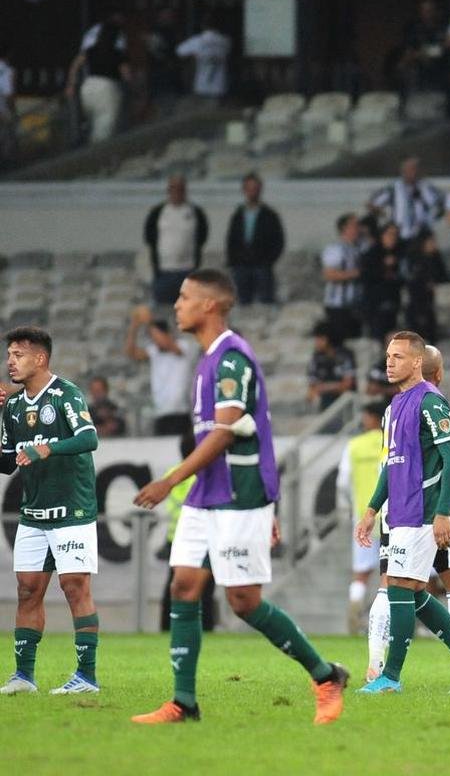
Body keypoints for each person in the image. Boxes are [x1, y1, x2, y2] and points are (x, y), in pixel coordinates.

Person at [131, 270, 349, 724]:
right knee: (184, 586)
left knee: (243, 600)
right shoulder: (208, 358)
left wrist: (171, 479)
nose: (177, 305)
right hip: (208, 493)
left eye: (185, 297)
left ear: (210, 305)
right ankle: (184, 702)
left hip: (237, 491)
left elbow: (225, 431)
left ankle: (326, 675)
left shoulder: (231, 358)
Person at [355, 332, 450, 694]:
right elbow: (392, 464)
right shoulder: (395, 405)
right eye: (388, 355)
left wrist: (443, 512)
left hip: (423, 510)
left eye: (398, 356)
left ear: (417, 362)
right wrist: (372, 509)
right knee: (411, 591)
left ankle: (391, 678)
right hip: (399, 511)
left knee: (401, 587)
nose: (389, 362)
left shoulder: (430, 402)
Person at [0, 327, 101, 696]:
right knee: (27, 591)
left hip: (72, 509)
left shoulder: (65, 394)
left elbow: (89, 438)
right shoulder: (11, 405)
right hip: (33, 512)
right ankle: (24, 677)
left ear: (40, 359)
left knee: (75, 587)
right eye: (9, 355)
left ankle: (86, 677)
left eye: (18, 355)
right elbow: (8, 463)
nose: (10, 361)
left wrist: (49, 448)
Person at [157, 431, 217, 633]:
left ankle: (166, 627)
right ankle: (206, 627)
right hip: (200, 537)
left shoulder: (173, 474)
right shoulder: (202, 476)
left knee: (173, 587)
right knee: (205, 589)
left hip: (175, 537)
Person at [337, 402, 385, 634]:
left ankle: (355, 613)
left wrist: (349, 507)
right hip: (390, 517)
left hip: (363, 518)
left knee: (361, 572)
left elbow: (343, 482)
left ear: (370, 418)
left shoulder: (354, 446)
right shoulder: (390, 443)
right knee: (392, 573)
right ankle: (389, 622)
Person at [124, 305, 196, 435]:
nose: (154, 339)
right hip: (161, 414)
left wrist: (148, 322)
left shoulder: (183, 347)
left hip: (180, 413)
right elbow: (131, 352)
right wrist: (134, 325)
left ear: (167, 334)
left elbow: (165, 343)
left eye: (155, 335)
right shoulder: (154, 351)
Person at [65, 8, 130, 143]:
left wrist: (71, 84)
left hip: (88, 87)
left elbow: (75, 64)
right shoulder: (117, 54)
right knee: (103, 130)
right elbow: (126, 74)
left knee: (93, 123)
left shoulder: (91, 50)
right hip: (108, 89)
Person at [144, 175, 208, 306]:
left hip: (188, 271)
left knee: (190, 312)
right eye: (173, 188)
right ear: (168, 190)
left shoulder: (195, 212)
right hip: (164, 272)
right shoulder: (158, 212)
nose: (177, 192)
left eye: (180, 189)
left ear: (185, 190)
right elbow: (149, 237)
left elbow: (202, 236)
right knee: (163, 313)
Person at [224, 173, 285, 306]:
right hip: (241, 267)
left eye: (255, 188)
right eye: (249, 188)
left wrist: (268, 260)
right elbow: (231, 240)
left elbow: (278, 241)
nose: (252, 192)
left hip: (262, 266)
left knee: (266, 302)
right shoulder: (238, 215)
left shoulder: (270, 215)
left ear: (260, 190)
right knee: (242, 302)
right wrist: (233, 261)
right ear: (244, 190)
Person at [368, 157, 443, 243]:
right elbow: (372, 204)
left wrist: (430, 219)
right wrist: (386, 218)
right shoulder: (394, 187)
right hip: (399, 236)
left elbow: (441, 204)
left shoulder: (426, 187)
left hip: (421, 236)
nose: (413, 172)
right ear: (403, 171)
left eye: (415, 169)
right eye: (409, 169)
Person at [361, 222, 406, 342]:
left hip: (394, 303)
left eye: (395, 235)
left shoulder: (400, 253)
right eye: (390, 234)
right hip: (376, 305)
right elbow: (366, 277)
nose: (393, 238)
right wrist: (383, 267)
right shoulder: (371, 254)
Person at [322, 213, 363, 341]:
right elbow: (329, 274)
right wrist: (355, 274)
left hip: (354, 305)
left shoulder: (357, 249)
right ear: (344, 228)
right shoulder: (336, 249)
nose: (358, 229)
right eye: (354, 226)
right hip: (338, 305)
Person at [174, 14, 231, 103]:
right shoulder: (226, 41)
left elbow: (179, 51)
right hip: (220, 87)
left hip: (202, 86)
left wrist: (194, 55)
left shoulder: (197, 41)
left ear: (203, 26)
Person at [306, 322, 356, 412]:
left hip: (345, 402)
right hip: (325, 402)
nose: (316, 342)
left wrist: (324, 387)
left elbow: (347, 385)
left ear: (327, 339)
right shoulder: (316, 358)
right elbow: (313, 388)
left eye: (319, 339)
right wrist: (335, 386)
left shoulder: (345, 356)